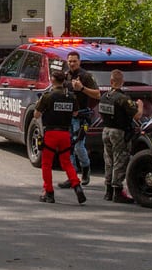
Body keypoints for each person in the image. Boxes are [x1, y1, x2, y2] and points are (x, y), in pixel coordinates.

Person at [35, 70, 86, 205]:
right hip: (65, 134)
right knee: (67, 163)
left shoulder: (48, 96)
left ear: (52, 80)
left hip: (51, 133)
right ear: (64, 81)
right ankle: (77, 187)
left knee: (46, 164)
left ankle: (49, 193)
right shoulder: (71, 97)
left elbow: (36, 115)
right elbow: (75, 113)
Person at [98, 69, 141, 203]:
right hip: (119, 132)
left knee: (108, 161)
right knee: (119, 161)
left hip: (106, 130)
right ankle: (118, 191)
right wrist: (140, 106)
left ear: (111, 82)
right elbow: (137, 115)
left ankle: (108, 191)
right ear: (122, 82)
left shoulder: (104, 96)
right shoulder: (122, 98)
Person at [59, 50, 98, 188]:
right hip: (66, 117)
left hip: (81, 117)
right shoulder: (65, 76)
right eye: (70, 61)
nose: (72, 64)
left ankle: (86, 169)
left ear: (79, 61)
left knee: (78, 146)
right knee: (67, 147)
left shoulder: (86, 76)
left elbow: (98, 95)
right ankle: (72, 176)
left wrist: (82, 89)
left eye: (74, 61)